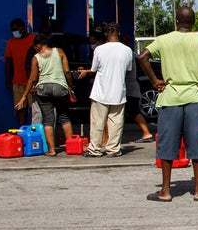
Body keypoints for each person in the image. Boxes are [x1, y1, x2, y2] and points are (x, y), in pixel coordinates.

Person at [137, 5, 198, 202]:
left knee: (168, 143)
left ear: (176, 21)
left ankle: (166, 191)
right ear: (193, 22)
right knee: (196, 142)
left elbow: (143, 56)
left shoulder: (164, 39)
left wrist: (155, 81)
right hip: (194, 96)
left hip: (170, 97)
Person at [77, 22, 134, 157]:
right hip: (118, 92)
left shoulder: (99, 49)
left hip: (100, 92)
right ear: (118, 33)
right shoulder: (127, 50)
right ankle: (113, 149)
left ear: (106, 34)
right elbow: (128, 69)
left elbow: (94, 68)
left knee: (97, 122)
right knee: (116, 123)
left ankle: (94, 149)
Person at [21, 32, 74, 156]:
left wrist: (24, 96)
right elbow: (67, 71)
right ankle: (72, 147)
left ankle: (51, 150)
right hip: (61, 87)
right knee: (64, 117)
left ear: (38, 45)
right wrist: (70, 86)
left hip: (43, 89)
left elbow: (32, 79)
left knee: (48, 120)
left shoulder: (36, 57)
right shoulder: (59, 52)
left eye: (35, 47)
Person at [120, 33, 154, 143]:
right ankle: (146, 133)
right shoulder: (129, 53)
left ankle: (146, 133)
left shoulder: (127, 54)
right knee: (132, 112)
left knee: (133, 112)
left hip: (130, 88)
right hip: (131, 87)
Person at [4, 18, 37, 126]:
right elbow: (8, 61)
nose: (14, 32)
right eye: (12, 30)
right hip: (17, 81)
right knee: (20, 107)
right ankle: (21, 128)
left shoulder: (33, 39)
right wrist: (7, 78)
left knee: (34, 108)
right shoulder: (11, 42)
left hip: (32, 81)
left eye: (15, 29)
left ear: (22, 28)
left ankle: (34, 128)